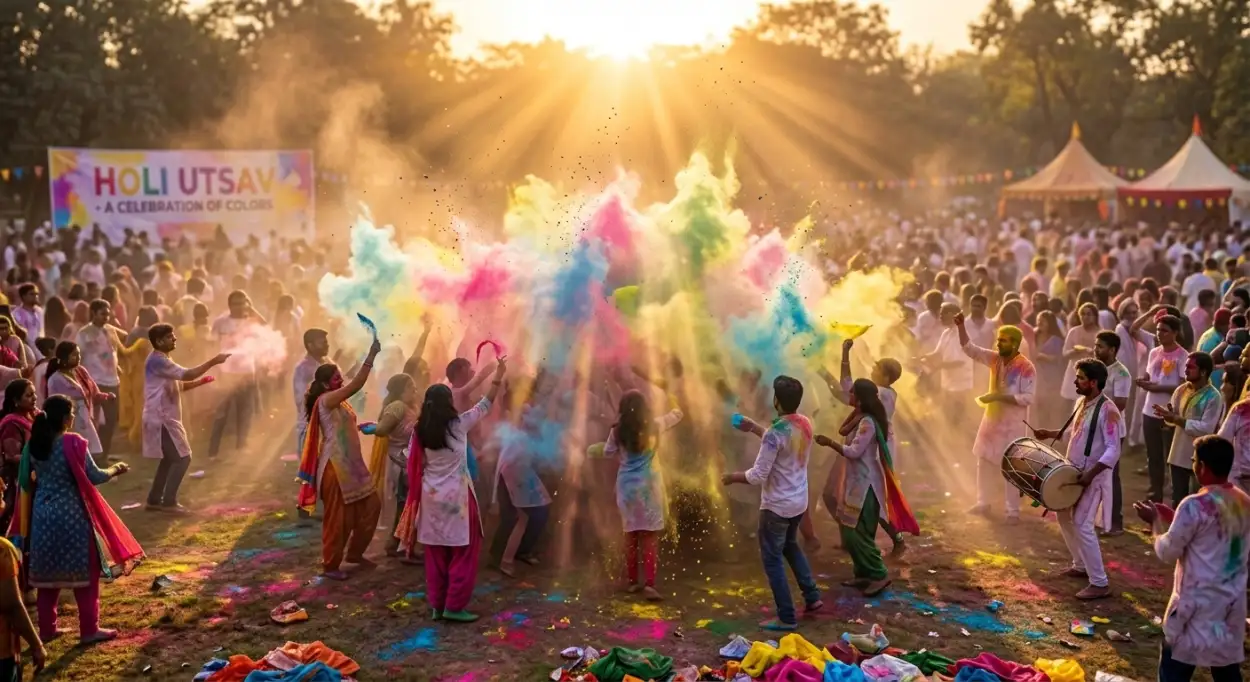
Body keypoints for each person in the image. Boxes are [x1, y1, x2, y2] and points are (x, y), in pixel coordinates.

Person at [10, 395, 142, 645]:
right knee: (86, 574)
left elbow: (26, 482)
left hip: (42, 515)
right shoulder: (74, 442)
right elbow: (95, 476)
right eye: (71, 413)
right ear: (63, 417)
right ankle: (89, 629)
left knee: (48, 579)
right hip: (71, 514)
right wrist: (116, 469)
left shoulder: (34, 445)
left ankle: (48, 630)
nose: (73, 417)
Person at [397, 357, 507, 622]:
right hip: (458, 498)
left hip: (431, 498)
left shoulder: (419, 431)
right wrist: (498, 375)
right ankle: (454, 607)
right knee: (464, 551)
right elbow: (487, 403)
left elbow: (409, 460)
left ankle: (437, 605)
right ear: (448, 403)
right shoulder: (459, 424)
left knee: (436, 553)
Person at [1133, 435, 1249, 682]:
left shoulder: (1194, 505)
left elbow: (1167, 552)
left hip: (1194, 607)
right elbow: (1215, 532)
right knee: (1227, 671)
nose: (1193, 465)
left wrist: (1155, 522)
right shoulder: (1243, 502)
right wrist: (1175, 518)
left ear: (1203, 467)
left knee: (1175, 671)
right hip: (1229, 607)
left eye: (1194, 460)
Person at [722, 376, 823, 632]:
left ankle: (787, 617)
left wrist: (732, 477)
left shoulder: (776, 433)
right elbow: (781, 441)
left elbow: (757, 475)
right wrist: (754, 427)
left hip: (776, 507)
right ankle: (812, 597)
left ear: (776, 400)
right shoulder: (804, 423)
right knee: (790, 545)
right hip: (798, 502)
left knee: (773, 560)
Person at [814, 379, 918, 598]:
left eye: (852, 394)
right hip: (855, 482)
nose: (848, 396)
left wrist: (829, 443)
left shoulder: (868, 423)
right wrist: (856, 411)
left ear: (860, 398)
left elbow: (853, 452)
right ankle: (862, 573)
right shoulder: (861, 418)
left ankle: (878, 574)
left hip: (866, 485)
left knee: (856, 534)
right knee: (851, 530)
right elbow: (843, 429)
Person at [1031, 360, 1122, 600]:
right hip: (1074, 473)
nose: (1075, 381)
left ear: (1093, 382)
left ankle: (1100, 582)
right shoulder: (1083, 402)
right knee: (1062, 514)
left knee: (1082, 524)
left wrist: (1090, 475)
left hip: (1093, 477)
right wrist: (1049, 434)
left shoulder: (1109, 410)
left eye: (1080, 378)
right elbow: (1076, 434)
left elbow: (1114, 449)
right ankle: (1080, 565)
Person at [296, 339, 383, 581]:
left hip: (352, 466)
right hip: (335, 467)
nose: (340, 381)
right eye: (336, 379)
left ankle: (355, 554)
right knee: (338, 519)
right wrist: (371, 355)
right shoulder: (326, 400)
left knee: (371, 507)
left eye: (339, 377)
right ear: (325, 384)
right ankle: (331, 564)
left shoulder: (336, 398)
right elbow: (356, 384)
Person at [818, 339, 907, 554]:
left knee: (869, 502)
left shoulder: (881, 395)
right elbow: (845, 392)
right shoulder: (880, 393)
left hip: (868, 455)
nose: (872, 370)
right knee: (835, 495)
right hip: (858, 450)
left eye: (876, 369)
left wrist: (844, 355)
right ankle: (850, 540)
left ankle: (894, 539)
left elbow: (844, 390)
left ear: (886, 378)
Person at [953, 312, 1036, 522]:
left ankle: (1012, 511)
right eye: (998, 339)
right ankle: (983, 502)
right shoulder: (995, 359)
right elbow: (969, 349)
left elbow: (1027, 398)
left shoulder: (1026, 368)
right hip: (992, 420)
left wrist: (999, 397)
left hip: (1012, 425)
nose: (998, 343)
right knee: (984, 460)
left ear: (1015, 344)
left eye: (1003, 340)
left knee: (1011, 465)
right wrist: (961, 326)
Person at [603, 387, 683, 601]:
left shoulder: (617, 431)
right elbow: (678, 414)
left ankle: (631, 583)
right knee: (649, 537)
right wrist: (669, 390)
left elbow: (607, 452)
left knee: (630, 535)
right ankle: (649, 584)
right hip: (649, 487)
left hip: (627, 488)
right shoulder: (655, 425)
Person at [143, 324, 230, 513]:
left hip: (163, 416)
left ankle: (154, 500)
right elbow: (187, 373)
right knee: (183, 458)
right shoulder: (158, 361)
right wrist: (214, 361)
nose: (174, 339)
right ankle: (169, 502)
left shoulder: (163, 359)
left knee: (169, 458)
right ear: (159, 341)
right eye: (169, 337)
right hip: (162, 417)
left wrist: (200, 383)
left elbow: (178, 386)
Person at [1155, 352, 1223, 508]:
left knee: (1198, 503)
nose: (1185, 370)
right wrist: (1167, 416)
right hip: (1178, 454)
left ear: (1204, 372)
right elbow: (1173, 421)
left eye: (1190, 367)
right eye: (1186, 366)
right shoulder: (1181, 390)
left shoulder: (1214, 396)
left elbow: (1206, 429)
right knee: (1178, 500)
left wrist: (1176, 419)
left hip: (1200, 458)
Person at [1136, 313, 1188, 502]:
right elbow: (1151, 375)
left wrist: (1158, 387)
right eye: (1158, 330)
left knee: (1170, 457)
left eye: (1164, 331)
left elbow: (1182, 386)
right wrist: (1144, 381)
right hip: (1149, 409)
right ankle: (1155, 492)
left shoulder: (1183, 355)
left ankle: (1174, 495)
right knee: (1153, 455)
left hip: (1169, 412)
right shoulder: (1154, 352)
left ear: (1175, 333)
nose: (1160, 334)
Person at [368, 374, 419, 560]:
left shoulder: (410, 407)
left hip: (408, 461)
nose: (414, 390)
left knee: (405, 506)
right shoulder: (397, 406)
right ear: (400, 390)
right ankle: (401, 546)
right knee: (406, 505)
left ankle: (397, 543)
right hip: (400, 463)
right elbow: (382, 429)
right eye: (410, 387)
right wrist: (372, 428)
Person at [208, 291, 264, 459]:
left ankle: (241, 447)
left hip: (247, 372)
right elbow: (211, 345)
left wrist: (252, 309)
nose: (240, 306)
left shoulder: (250, 321)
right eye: (237, 303)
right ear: (230, 305)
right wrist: (214, 368)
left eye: (243, 303)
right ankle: (213, 451)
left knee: (245, 412)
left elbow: (267, 326)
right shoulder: (220, 322)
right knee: (221, 413)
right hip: (226, 373)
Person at [44, 341, 114, 461]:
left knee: (91, 453)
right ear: (64, 358)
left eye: (79, 354)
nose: (79, 357)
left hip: (85, 417)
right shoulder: (55, 380)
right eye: (74, 355)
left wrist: (106, 397)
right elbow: (53, 405)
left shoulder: (80, 371)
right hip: (69, 421)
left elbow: (94, 392)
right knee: (74, 454)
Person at [74, 300, 123, 459]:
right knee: (94, 422)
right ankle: (94, 457)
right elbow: (77, 357)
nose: (106, 317)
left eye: (108, 314)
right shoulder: (84, 333)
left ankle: (103, 455)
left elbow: (114, 351)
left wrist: (117, 368)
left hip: (113, 380)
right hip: (95, 382)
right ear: (93, 313)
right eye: (103, 314)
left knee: (112, 420)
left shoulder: (110, 330)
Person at [1094, 331, 1131, 535]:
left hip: (1113, 431)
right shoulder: (1096, 369)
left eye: (1100, 346)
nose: (1096, 349)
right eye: (1096, 345)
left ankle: (1115, 522)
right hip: (1094, 429)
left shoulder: (1121, 373)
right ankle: (1097, 518)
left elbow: (1121, 403)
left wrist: (1097, 413)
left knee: (1110, 475)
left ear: (1112, 350)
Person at [0, 381, 35, 533]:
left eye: (34, 394)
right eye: (29, 395)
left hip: (32, 478)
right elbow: (11, 456)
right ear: (15, 400)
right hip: (15, 483)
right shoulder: (11, 424)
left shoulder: (33, 417)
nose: (34, 398)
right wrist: (40, 459)